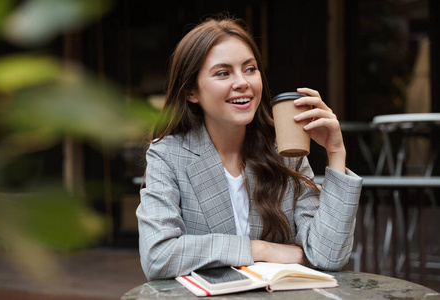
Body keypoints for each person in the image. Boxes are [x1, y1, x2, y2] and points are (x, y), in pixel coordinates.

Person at [137, 15, 363, 281]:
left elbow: (328, 256)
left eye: (250, 69)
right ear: (191, 92)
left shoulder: (284, 152)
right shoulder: (168, 154)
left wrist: (336, 153)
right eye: (223, 73)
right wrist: (260, 249)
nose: (242, 82)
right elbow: (158, 255)